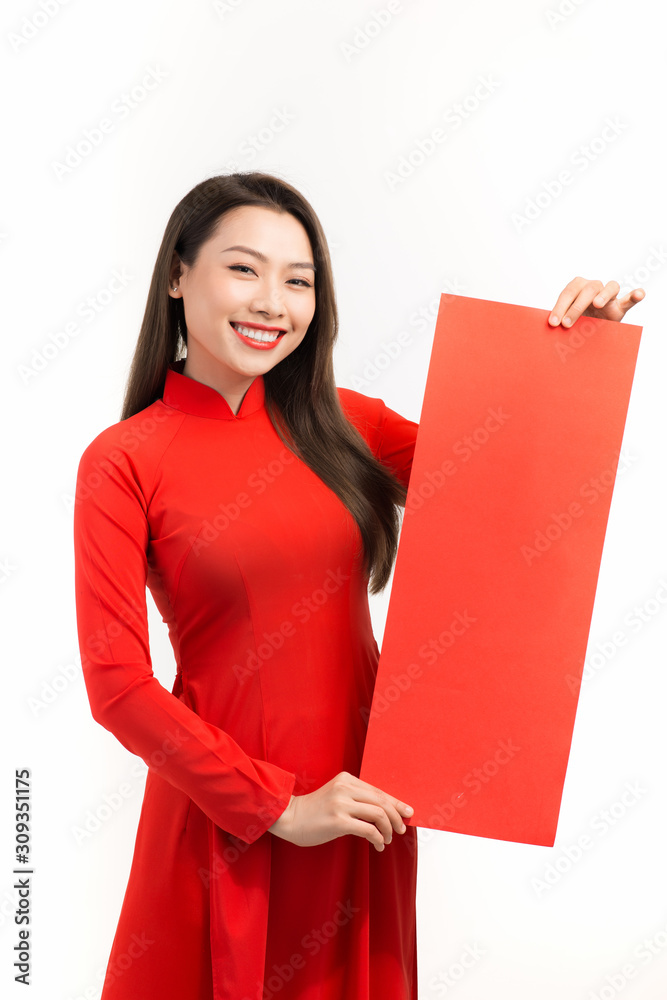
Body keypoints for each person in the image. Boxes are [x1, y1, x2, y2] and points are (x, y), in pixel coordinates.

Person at [72, 170, 645, 1000]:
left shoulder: (345, 424)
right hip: (221, 811)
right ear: (175, 276)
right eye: (244, 269)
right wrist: (278, 807)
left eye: (298, 281)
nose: (273, 301)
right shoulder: (123, 460)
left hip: (362, 805)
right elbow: (116, 683)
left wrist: (576, 357)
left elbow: (523, 491)